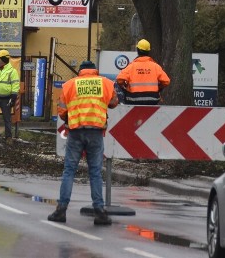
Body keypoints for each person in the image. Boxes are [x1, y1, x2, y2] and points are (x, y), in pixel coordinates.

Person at [47, 60, 119, 226]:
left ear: (80, 71)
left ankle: (61, 210)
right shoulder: (106, 83)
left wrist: (69, 118)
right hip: (95, 132)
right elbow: (114, 103)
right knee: (95, 172)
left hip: (76, 132)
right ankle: (99, 212)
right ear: (95, 71)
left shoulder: (69, 85)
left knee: (69, 171)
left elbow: (62, 111)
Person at [115, 39, 170, 105]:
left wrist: (126, 86)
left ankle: (122, 104)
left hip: (133, 99)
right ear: (148, 51)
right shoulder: (155, 66)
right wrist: (159, 88)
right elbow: (166, 81)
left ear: (137, 50)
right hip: (153, 99)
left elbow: (119, 80)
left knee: (116, 84)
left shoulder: (131, 66)